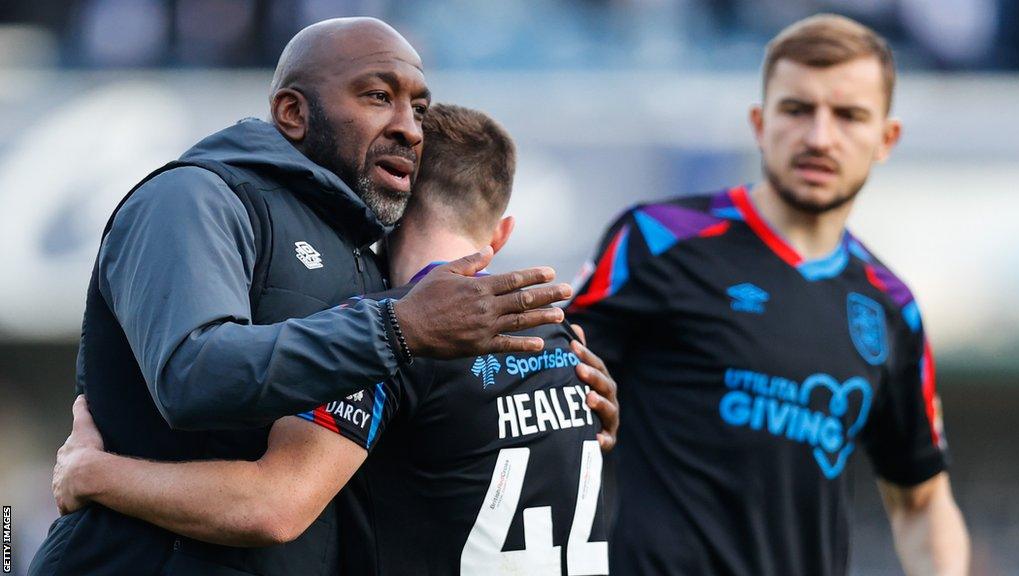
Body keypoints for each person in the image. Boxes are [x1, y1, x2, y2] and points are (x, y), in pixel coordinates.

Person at [30, 19, 580, 576]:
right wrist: (397, 329)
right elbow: (192, 373)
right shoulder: (193, 196)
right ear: (293, 112)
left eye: (417, 108)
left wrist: (584, 389)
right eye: (378, 96)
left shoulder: (364, 256)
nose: (411, 128)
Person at [568, 14, 969, 576]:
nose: (819, 137)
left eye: (849, 115)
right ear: (759, 123)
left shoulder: (890, 305)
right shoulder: (657, 240)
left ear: (886, 138)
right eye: (796, 109)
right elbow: (542, 392)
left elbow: (923, 500)